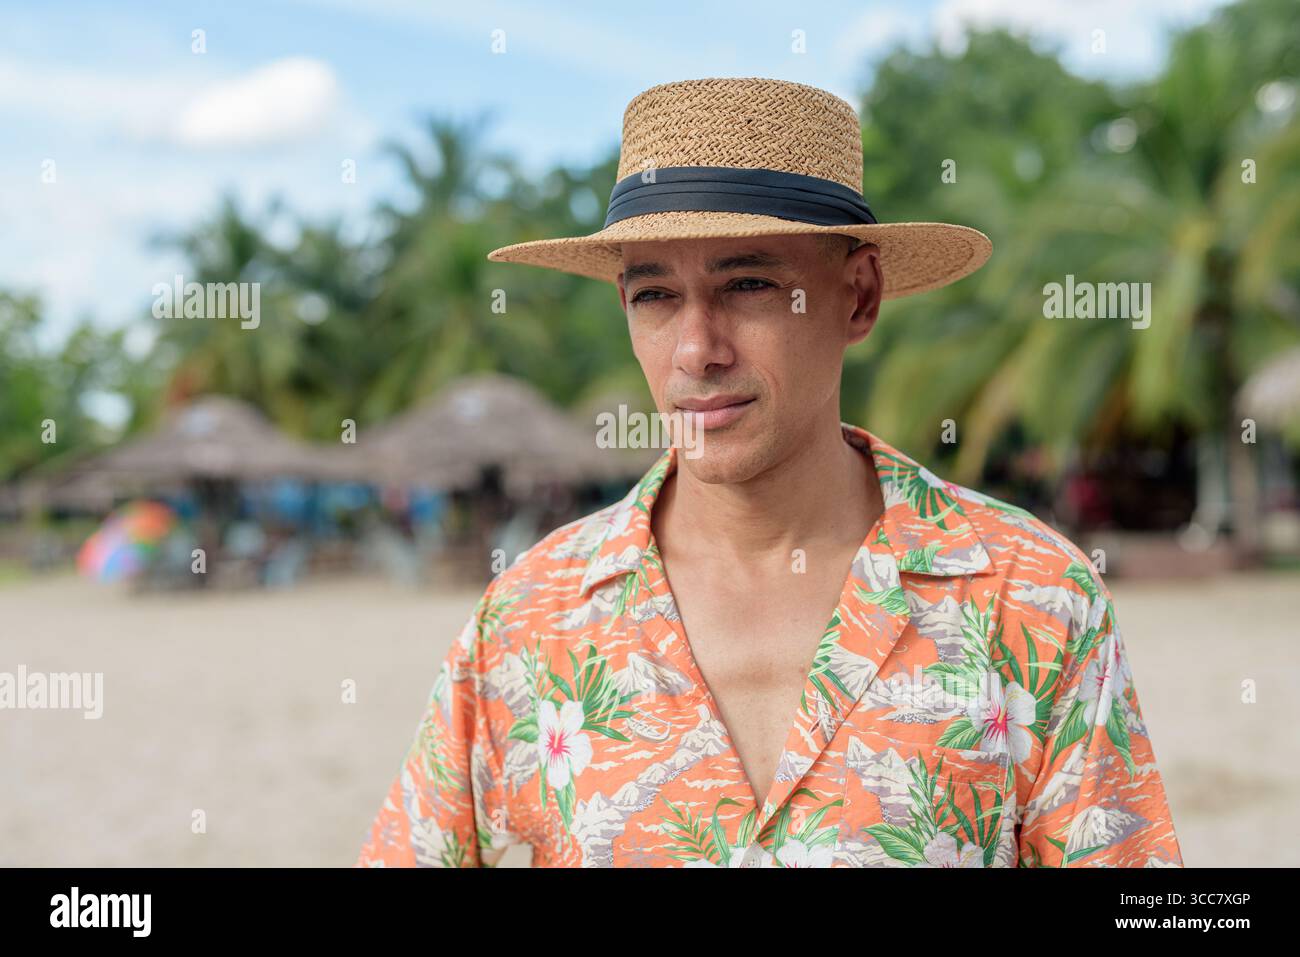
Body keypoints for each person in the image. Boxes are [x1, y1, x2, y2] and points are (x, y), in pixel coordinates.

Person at [357, 77, 1182, 868]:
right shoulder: (530, 621)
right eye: (654, 296)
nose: (695, 350)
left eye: (748, 285)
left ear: (858, 297)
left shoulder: (1031, 600)